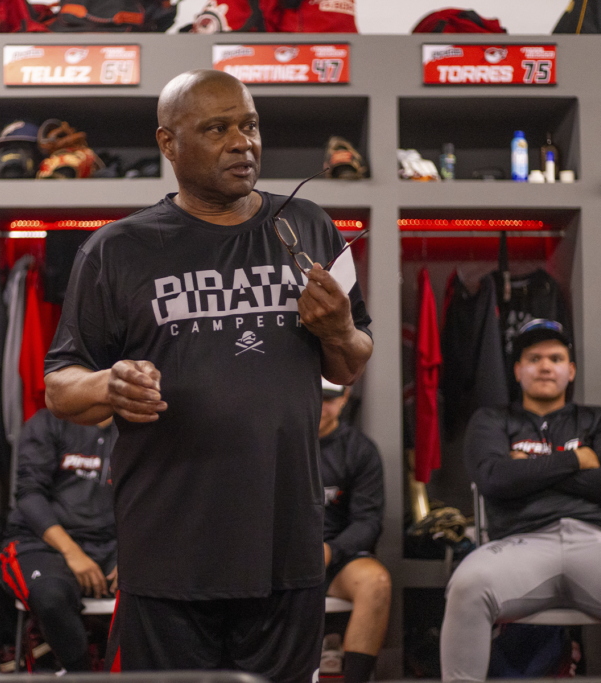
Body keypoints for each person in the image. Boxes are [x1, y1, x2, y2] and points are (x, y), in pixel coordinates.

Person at [43, 69, 372, 683]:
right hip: (169, 555)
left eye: (248, 125)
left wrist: (339, 328)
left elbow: (349, 364)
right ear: (169, 143)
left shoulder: (311, 227)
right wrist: (107, 384)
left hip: (285, 548)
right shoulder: (117, 250)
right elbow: (59, 386)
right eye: (216, 128)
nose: (241, 142)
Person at [440, 318, 601, 682]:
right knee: (467, 586)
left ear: (571, 369)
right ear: (517, 370)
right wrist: (577, 460)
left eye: (555, 358)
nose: (545, 366)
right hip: (519, 545)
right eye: (534, 358)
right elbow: (495, 480)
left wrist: (529, 471)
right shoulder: (492, 420)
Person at [0, 408, 118, 674]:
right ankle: (80, 674)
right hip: (43, 541)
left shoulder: (137, 426)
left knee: (161, 586)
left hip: (113, 543)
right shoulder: (48, 422)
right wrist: (72, 551)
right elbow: (29, 494)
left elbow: (153, 496)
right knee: (50, 598)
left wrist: (135, 554)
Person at [319, 379, 390, 683]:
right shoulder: (275, 442)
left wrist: (330, 551)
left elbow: (368, 522)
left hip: (334, 558)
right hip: (279, 559)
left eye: (329, 398)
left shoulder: (359, 450)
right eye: (316, 396)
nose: (322, 406)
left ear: (345, 397)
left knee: (376, 583)